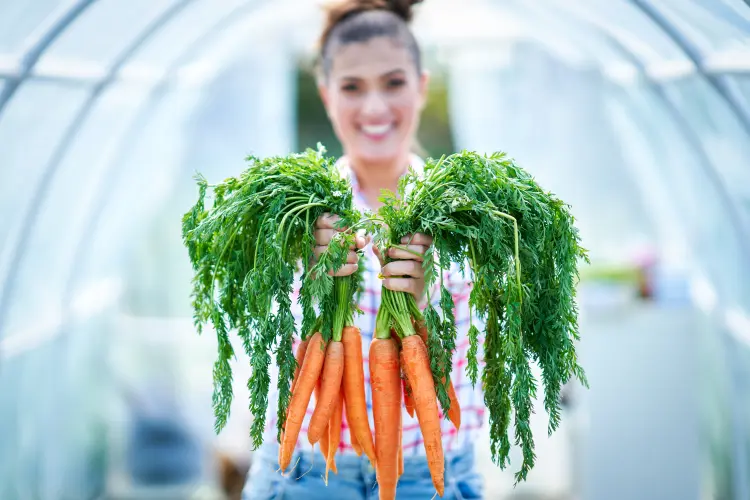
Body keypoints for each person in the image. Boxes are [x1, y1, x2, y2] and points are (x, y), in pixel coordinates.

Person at [242, 1, 484, 498]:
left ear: (421, 86)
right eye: (352, 87)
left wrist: (422, 305)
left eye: (393, 83)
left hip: (426, 469)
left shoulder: (468, 215)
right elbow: (259, 341)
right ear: (327, 96)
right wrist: (310, 285)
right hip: (306, 467)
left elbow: (475, 358)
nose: (374, 108)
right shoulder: (294, 212)